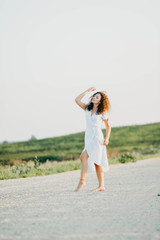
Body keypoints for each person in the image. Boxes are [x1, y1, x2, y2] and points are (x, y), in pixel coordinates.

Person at [74, 87, 111, 192]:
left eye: (97, 97)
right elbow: (77, 100)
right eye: (94, 96)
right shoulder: (87, 108)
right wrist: (87, 91)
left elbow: (108, 127)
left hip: (97, 137)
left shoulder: (102, 112)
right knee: (96, 162)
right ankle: (101, 186)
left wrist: (107, 138)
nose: (94, 97)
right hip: (89, 136)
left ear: (100, 101)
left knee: (83, 157)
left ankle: (82, 181)